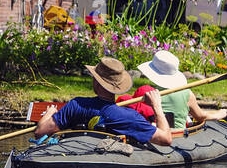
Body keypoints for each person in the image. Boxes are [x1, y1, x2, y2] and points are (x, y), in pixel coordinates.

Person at [34, 57, 173, 146]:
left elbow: (40, 131)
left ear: (97, 82)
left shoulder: (76, 105)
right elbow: (166, 139)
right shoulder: (130, 117)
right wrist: (157, 106)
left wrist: (50, 112)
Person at [121, 49, 227, 133]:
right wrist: (219, 114)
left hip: (156, 133)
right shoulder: (187, 94)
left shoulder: (146, 92)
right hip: (179, 134)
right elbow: (200, 116)